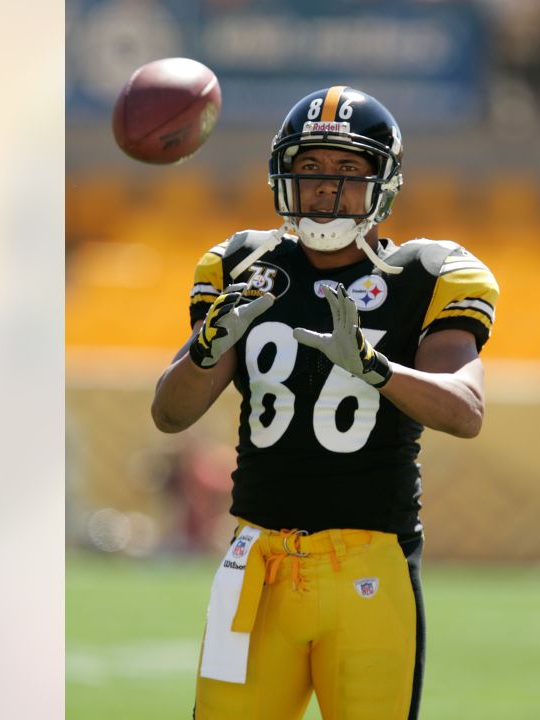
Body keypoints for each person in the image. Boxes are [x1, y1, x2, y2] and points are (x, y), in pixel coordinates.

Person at [151, 86, 500, 720]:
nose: (325, 188)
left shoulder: (427, 273)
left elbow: (465, 410)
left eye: (347, 169)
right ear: (284, 172)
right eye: (310, 166)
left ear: (383, 182)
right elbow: (170, 413)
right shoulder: (242, 266)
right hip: (254, 562)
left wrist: (375, 367)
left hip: (370, 560)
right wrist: (206, 348)